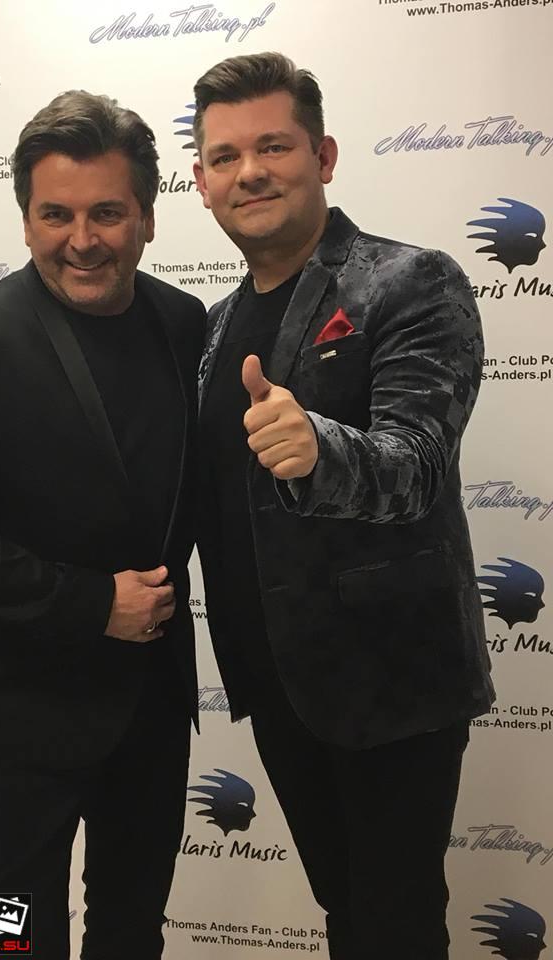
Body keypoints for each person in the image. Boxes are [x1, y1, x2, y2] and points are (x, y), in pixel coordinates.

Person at [192, 51, 495, 960]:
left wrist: (321, 449)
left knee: (397, 926)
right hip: (276, 678)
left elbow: (418, 463)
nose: (250, 172)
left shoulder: (412, 281)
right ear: (201, 184)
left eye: (273, 146)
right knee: (343, 911)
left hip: (392, 677)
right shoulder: (214, 327)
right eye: (224, 157)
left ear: (322, 156)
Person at [0, 89, 205, 960]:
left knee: (133, 929)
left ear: (147, 217)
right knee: (13, 936)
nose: (82, 239)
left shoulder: (184, 323)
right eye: (55, 214)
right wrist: (89, 604)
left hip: (151, 702)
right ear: (26, 220)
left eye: (107, 212)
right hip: (20, 708)